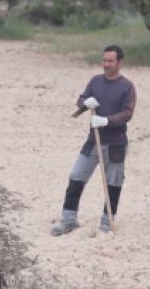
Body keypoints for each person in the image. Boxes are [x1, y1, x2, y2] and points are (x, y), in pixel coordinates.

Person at [52, 45, 137, 236]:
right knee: (76, 176)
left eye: (110, 61)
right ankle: (69, 220)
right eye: (104, 60)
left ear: (119, 62)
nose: (106, 64)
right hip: (93, 141)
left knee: (113, 183)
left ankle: (107, 222)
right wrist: (84, 102)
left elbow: (127, 113)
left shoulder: (127, 86)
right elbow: (82, 99)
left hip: (116, 143)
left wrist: (107, 120)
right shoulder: (95, 81)